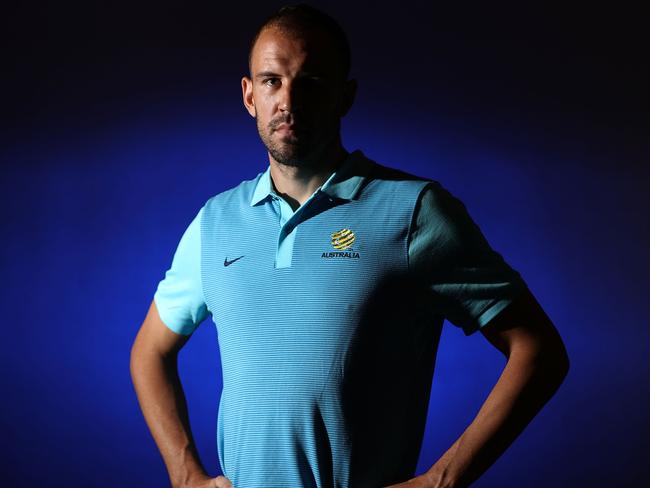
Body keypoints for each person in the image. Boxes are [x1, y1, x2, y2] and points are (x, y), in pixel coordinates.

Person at [129, 4, 569, 488]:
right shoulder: (214, 221)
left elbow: (539, 349)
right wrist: (185, 473)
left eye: (311, 82)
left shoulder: (415, 211)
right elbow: (149, 351)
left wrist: (442, 480)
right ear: (249, 95)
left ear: (346, 95)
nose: (289, 101)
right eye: (272, 81)